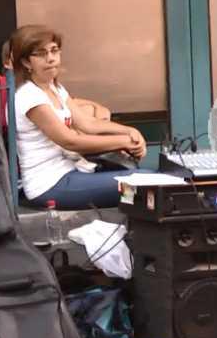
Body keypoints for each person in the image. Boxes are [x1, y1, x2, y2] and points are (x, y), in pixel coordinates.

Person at [10, 25, 147, 210]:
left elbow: (88, 123)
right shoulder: (29, 96)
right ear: (26, 62)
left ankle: (128, 212)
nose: (51, 58)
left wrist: (130, 131)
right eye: (41, 54)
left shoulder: (55, 88)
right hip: (49, 187)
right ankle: (129, 210)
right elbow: (70, 141)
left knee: (140, 183)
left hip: (71, 173)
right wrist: (123, 142)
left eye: (54, 51)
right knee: (142, 185)